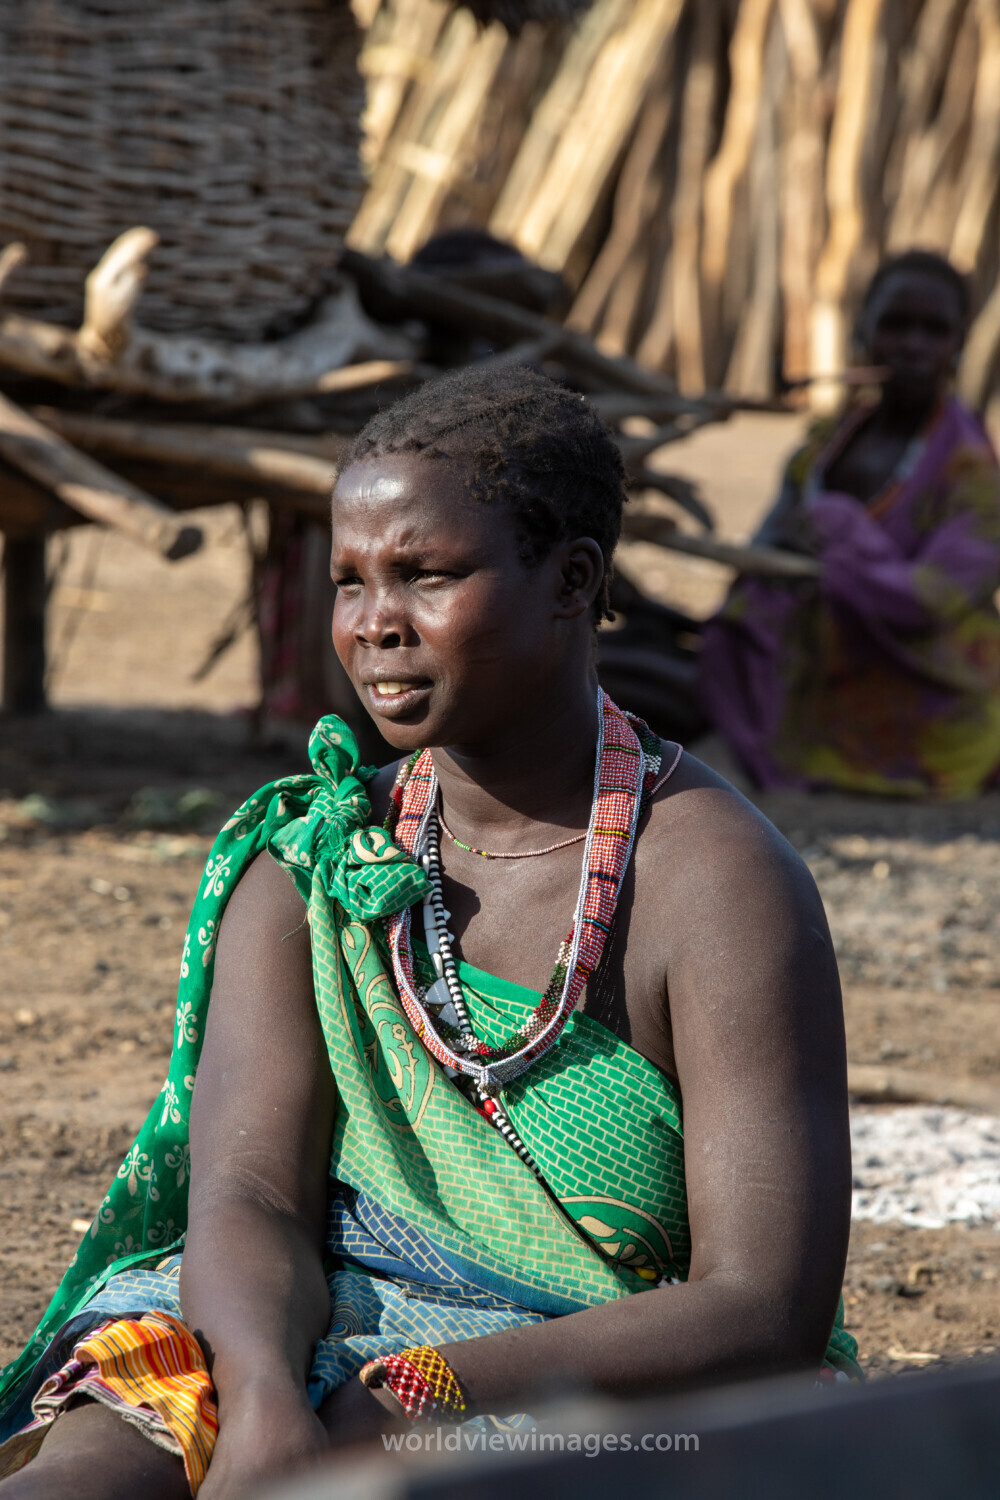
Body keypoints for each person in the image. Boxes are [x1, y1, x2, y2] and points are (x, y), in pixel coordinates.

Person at [0, 366, 858, 1500]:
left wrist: (417, 1392)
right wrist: (261, 1401)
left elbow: (765, 1309)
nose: (375, 627)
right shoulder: (317, 858)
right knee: (88, 1479)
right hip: (296, 1325)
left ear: (572, 580)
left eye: (426, 576)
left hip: (601, 1384)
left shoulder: (712, 883)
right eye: (352, 583)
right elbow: (253, 1197)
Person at [701, 250, 1000, 798]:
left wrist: (838, 538)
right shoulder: (823, 447)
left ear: (958, 345)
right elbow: (762, 548)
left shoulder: (971, 471)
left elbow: (936, 599)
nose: (912, 345)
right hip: (826, 674)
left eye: (933, 331)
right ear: (863, 333)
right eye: (895, 326)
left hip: (928, 687)